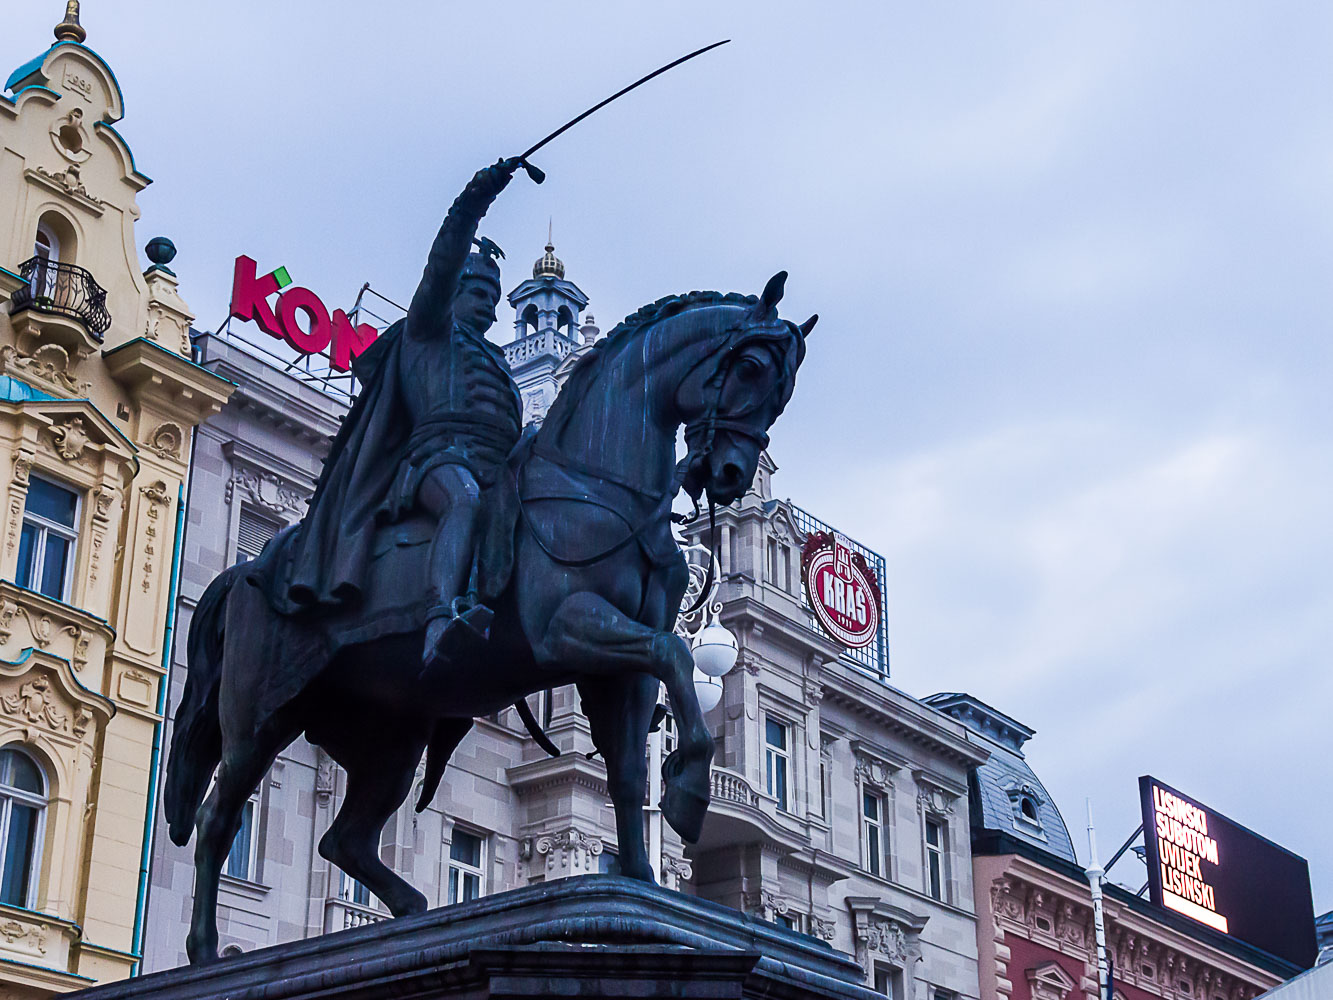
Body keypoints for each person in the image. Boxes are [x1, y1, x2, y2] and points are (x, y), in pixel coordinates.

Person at [265, 158, 530, 672]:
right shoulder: (429, 330)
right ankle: (439, 619)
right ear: (451, 294)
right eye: (480, 294)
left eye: (495, 299)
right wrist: (476, 198)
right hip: (438, 459)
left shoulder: (497, 360)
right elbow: (443, 260)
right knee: (464, 501)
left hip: (498, 465)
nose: (492, 310)